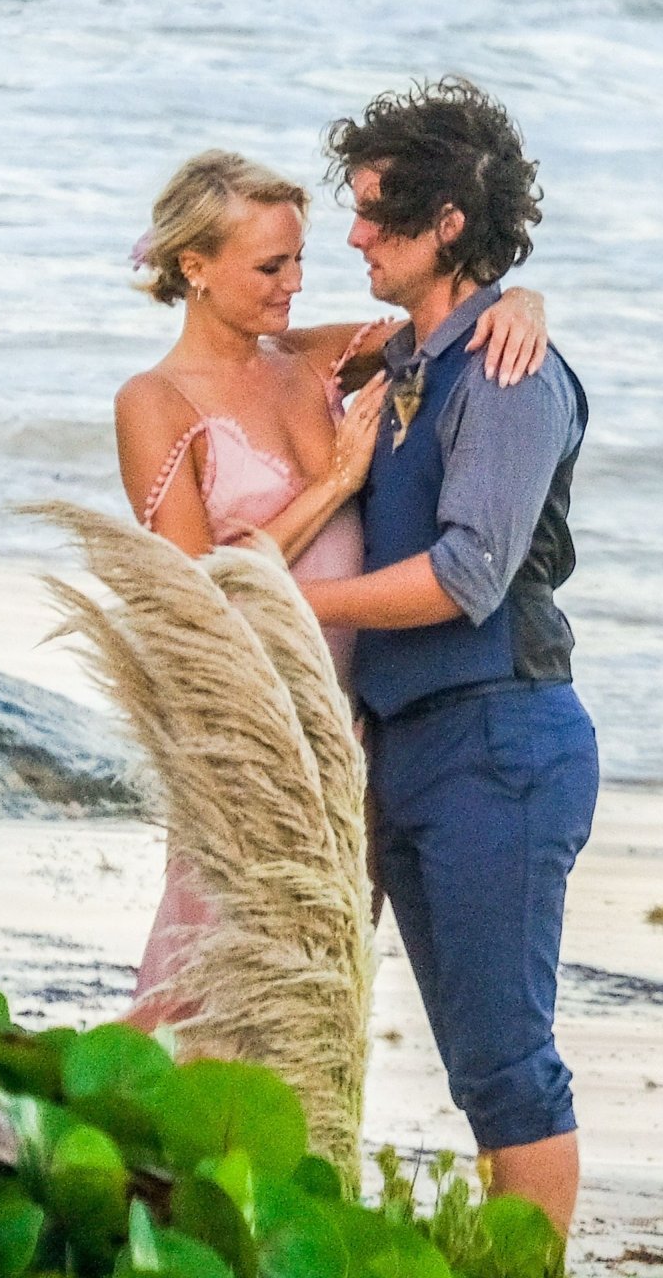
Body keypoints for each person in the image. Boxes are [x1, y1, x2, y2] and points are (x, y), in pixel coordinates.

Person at [113, 148, 549, 1030]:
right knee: (205, 984)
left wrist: (523, 303)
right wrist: (336, 483)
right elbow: (202, 597)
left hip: (354, 729)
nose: (296, 285)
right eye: (270, 267)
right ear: (194, 266)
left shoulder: (313, 360)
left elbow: (446, 320)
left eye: (300, 259)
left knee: (319, 994)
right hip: (248, 732)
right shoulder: (153, 402)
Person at [299, 79, 600, 1238]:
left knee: (507, 1067)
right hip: (416, 745)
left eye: (376, 212)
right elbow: (261, 344)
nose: (354, 236)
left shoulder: (510, 375)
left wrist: (291, 602)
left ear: (447, 223)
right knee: (477, 1067)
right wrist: (511, 293)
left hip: (500, 744)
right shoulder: (411, 358)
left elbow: (468, 574)